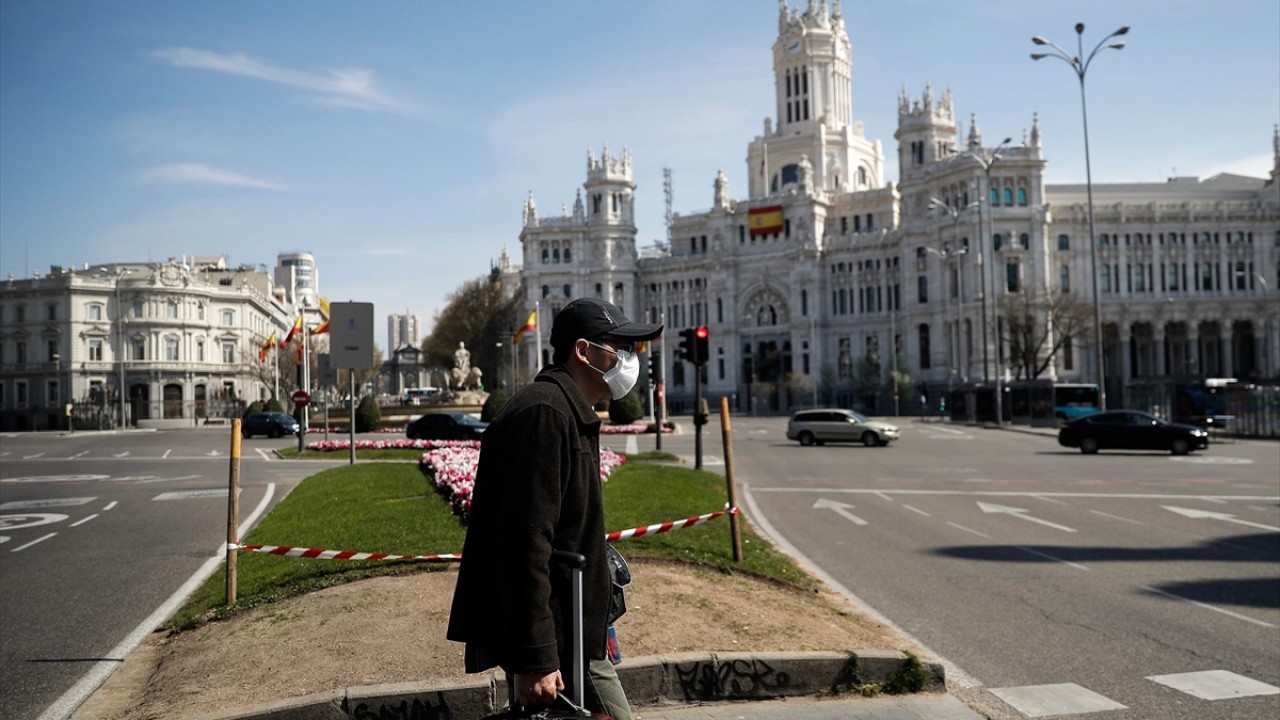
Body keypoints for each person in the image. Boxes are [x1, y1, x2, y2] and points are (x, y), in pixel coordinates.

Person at [448, 298, 662, 720]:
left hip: (578, 631)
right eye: (620, 347)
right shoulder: (545, 414)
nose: (630, 358)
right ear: (583, 351)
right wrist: (536, 656)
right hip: (560, 641)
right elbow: (524, 545)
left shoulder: (565, 409)